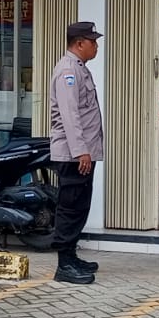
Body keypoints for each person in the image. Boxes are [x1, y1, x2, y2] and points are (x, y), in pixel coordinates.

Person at [48, 21, 105, 285]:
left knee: (80, 206)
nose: (96, 46)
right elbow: (70, 116)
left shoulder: (79, 68)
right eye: (93, 41)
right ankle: (64, 264)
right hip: (73, 154)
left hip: (82, 153)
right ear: (79, 43)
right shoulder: (68, 71)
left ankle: (71, 255)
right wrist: (81, 151)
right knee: (70, 207)